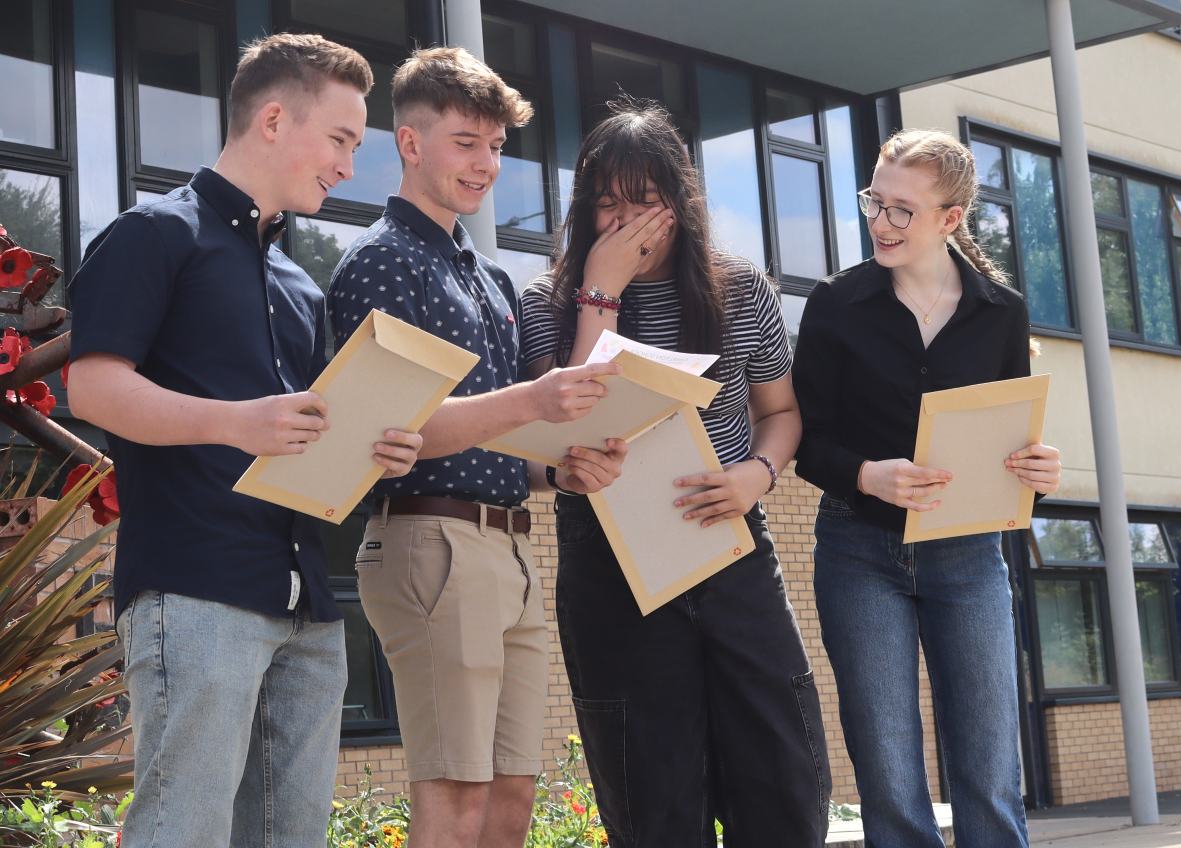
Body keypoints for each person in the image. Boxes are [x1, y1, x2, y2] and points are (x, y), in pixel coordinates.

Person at [67, 34, 424, 848]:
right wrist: (235, 420)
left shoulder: (301, 283)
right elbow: (92, 387)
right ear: (271, 119)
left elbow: (310, 428)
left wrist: (376, 448)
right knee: (180, 831)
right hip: (195, 589)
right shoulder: (153, 234)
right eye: (339, 140)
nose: (346, 166)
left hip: (307, 603)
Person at [327, 47, 626, 848]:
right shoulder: (381, 261)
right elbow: (392, 432)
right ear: (411, 143)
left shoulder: (489, 277)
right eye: (466, 142)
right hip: (432, 540)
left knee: (510, 801)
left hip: (510, 547)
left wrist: (557, 465)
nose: (486, 164)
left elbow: (499, 434)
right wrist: (534, 400)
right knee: (457, 796)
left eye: (496, 147)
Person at [518, 100, 831, 848]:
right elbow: (574, 425)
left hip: (728, 546)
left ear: (679, 202)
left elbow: (782, 413)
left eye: (645, 202)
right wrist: (602, 291)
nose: (626, 223)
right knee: (651, 799)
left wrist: (757, 475)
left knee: (782, 774)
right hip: (611, 559)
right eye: (608, 204)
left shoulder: (739, 288)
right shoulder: (544, 302)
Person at [792, 128, 1063, 848]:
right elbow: (806, 440)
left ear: (949, 219)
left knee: (989, 772)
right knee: (887, 775)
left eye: (902, 210)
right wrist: (865, 474)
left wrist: (1036, 473)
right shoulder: (834, 304)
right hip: (858, 551)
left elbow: (1009, 439)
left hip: (969, 553)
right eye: (874, 202)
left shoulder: (1000, 313)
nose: (881, 222)